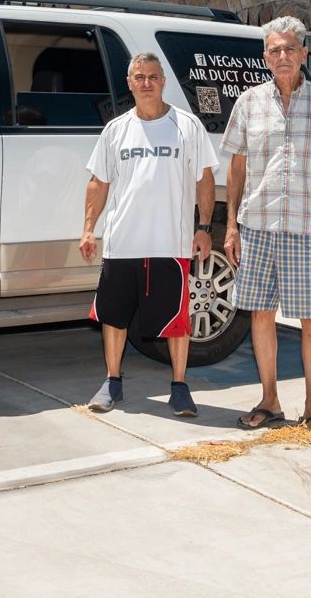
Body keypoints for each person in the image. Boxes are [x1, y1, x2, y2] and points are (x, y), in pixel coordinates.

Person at [221, 15, 311, 436]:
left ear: (304, 54)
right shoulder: (248, 103)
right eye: (274, 49)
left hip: (308, 228)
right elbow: (236, 167)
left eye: (289, 48)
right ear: (265, 57)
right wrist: (231, 226)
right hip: (258, 225)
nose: (282, 55)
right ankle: (270, 401)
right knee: (261, 315)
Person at [78, 53, 219, 416]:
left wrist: (204, 227)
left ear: (163, 81)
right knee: (113, 316)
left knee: (176, 320)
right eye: (139, 77)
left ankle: (180, 387)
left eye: (153, 77)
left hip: (170, 242)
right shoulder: (116, 130)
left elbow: (204, 179)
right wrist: (89, 228)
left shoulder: (187, 126)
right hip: (123, 242)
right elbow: (98, 182)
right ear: (129, 83)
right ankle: (112, 382)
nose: (146, 83)